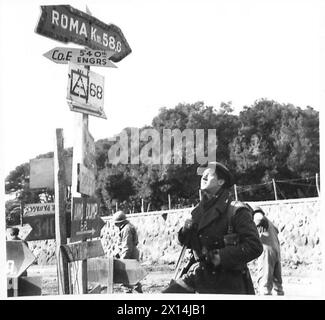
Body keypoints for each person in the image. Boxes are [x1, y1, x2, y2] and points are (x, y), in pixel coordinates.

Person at [162, 161, 263, 294]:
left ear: (221, 181)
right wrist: (185, 231)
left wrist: (219, 256)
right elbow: (185, 242)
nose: (203, 177)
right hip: (201, 275)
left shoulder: (236, 210)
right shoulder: (198, 212)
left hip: (228, 283)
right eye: (202, 175)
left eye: (208, 175)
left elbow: (254, 246)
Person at [252, 206, 284, 296]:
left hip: (266, 251)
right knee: (278, 286)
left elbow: (259, 218)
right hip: (276, 250)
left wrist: (251, 226)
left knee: (264, 285)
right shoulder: (269, 222)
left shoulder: (257, 214)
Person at [113, 210, 142, 293]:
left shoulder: (126, 229)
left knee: (126, 279)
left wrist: (122, 261)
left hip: (130, 255)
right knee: (132, 278)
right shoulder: (127, 227)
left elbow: (127, 247)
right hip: (131, 254)